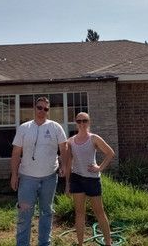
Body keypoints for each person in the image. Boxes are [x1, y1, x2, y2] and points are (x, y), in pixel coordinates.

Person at [10, 97, 68, 246]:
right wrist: (14, 175)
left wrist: (64, 166)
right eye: (39, 107)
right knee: (24, 214)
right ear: (34, 108)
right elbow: (16, 152)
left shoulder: (56, 127)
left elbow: (64, 148)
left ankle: (44, 243)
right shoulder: (24, 128)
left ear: (48, 111)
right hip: (27, 178)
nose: (42, 111)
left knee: (46, 212)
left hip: (49, 178)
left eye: (46, 109)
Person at [65, 112, 115, 246]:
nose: (82, 124)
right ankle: (80, 244)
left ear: (89, 122)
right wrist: (67, 184)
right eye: (79, 121)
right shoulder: (70, 141)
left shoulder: (94, 138)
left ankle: (108, 243)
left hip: (92, 180)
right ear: (76, 122)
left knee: (99, 212)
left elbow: (110, 153)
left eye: (85, 121)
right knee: (80, 213)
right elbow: (69, 163)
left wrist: (99, 168)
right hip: (76, 179)